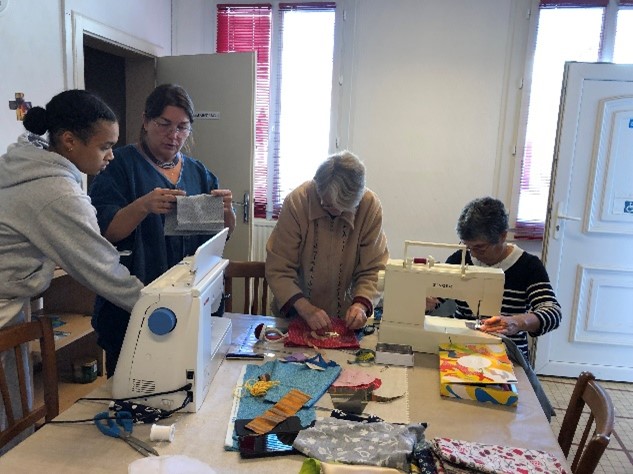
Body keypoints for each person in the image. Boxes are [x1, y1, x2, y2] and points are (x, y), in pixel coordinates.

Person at [0, 89, 143, 452]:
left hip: (11, 303)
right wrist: (161, 305)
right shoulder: (56, 191)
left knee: (12, 422)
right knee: (8, 430)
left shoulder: (24, 164)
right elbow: (104, 270)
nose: (111, 155)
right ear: (68, 141)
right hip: (4, 307)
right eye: (104, 146)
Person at [88, 84, 236, 376]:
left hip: (188, 302)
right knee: (132, 386)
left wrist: (227, 213)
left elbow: (222, 236)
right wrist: (143, 205)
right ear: (145, 121)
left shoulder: (199, 173)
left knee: (187, 381)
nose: (173, 135)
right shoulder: (119, 166)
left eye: (182, 127)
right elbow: (105, 233)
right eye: (164, 124)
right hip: (134, 302)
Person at [265, 150, 389, 332]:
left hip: (344, 320)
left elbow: (374, 269)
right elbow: (279, 268)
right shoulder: (297, 202)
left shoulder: (369, 206)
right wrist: (306, 309)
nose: (333, 211)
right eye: (327, 204)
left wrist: (361, 305)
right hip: (295, 315)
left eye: (342, 208)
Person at [445, 196, 562, 363]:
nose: (473, 254)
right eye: (467, 246)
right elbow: (435, 294)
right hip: (461, 346)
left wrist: (518, 322)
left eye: (480, 247)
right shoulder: (461, 258)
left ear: (502, 236)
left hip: (507, 353)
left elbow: (553, 312)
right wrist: (428, 301)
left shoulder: (528, 265)